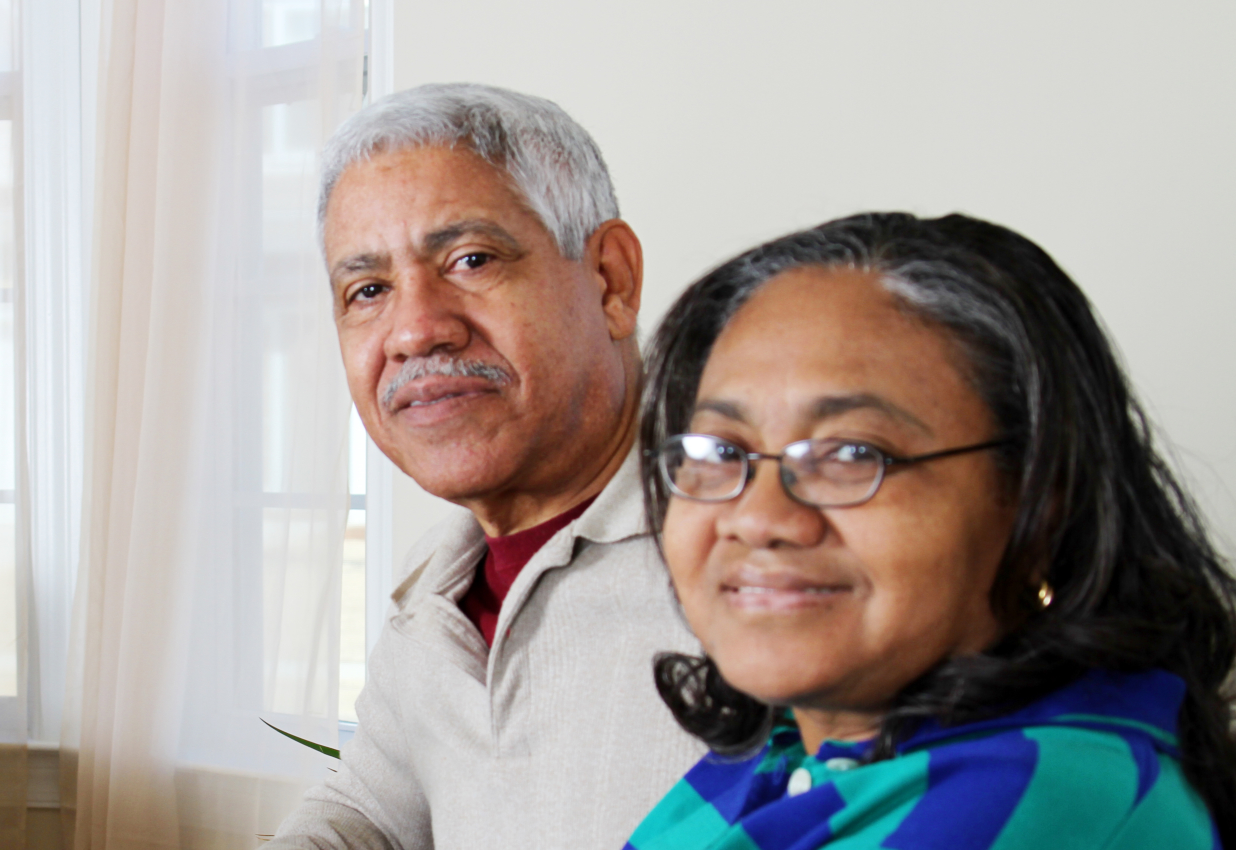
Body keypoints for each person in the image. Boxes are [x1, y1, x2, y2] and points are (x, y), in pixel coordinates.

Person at [628, 212, 1235, 849]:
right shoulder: (780, 757)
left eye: (852, 454)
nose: (759, 519)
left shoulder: (1039, 806)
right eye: (721, 452)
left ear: (1036, 504)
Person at [268, 83, 703, 849]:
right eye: (368, 289)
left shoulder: (754, 549)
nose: (414, 331)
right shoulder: (439, 584)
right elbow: (371, 808)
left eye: (470, 259)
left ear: (612, 280)